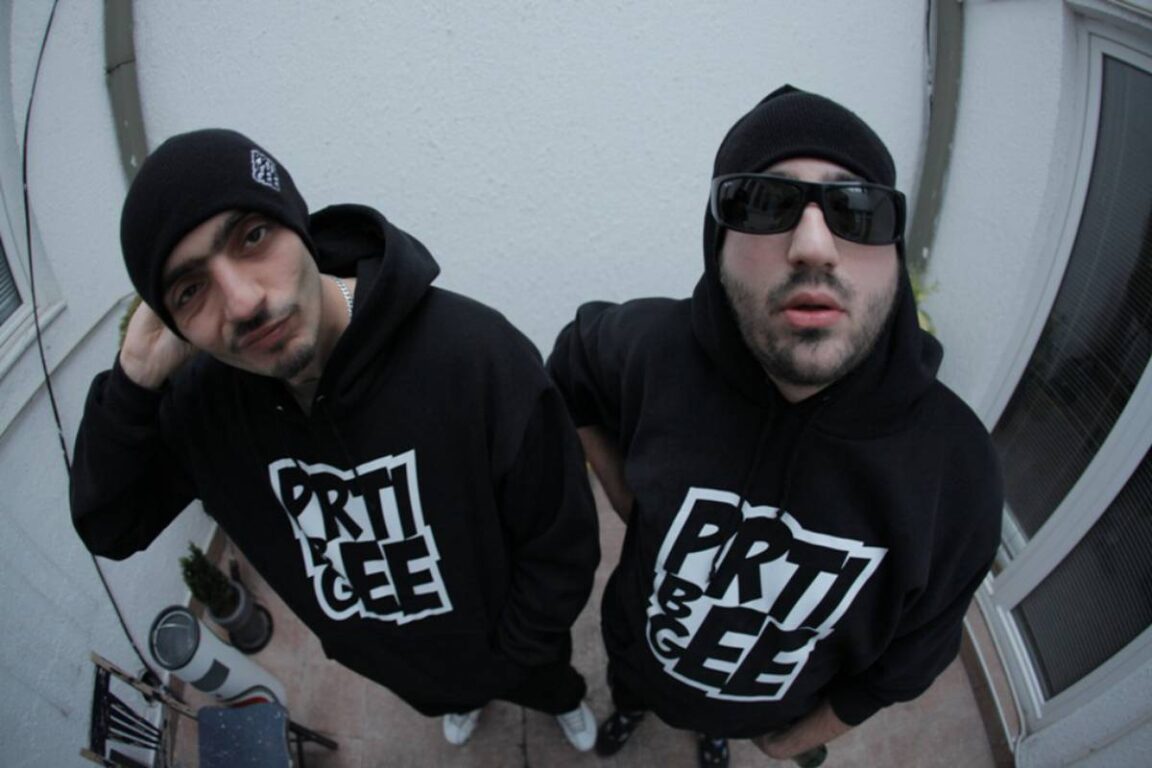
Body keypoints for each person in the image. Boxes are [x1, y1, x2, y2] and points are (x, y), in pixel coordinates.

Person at [70, 129, 600, 752]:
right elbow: (111, 527)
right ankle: (464, 698)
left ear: (298, 224)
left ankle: (563, 700)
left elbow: (560, 537)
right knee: (447, 696)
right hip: (400, 667)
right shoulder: (202, 412)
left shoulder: (476, 356)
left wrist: (514, 652)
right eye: (191, 291)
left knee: (547, 682)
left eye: (252, 237)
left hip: (513, 645)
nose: (243, 303)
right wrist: (132, 384)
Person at [547, 85, 1002, 768]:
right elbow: (570, 365)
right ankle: (633, 707)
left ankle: (715, 737)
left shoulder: (958, 472)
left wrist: (792, 740)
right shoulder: (651, 347)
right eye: (764, 203)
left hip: (769, 707)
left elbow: (908, 662)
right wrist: (625, 496)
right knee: (632, 687)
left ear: (895, 252)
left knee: (721, 728)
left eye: (856, 209)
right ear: (717, 243)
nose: (814, 246)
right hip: (640, 648)